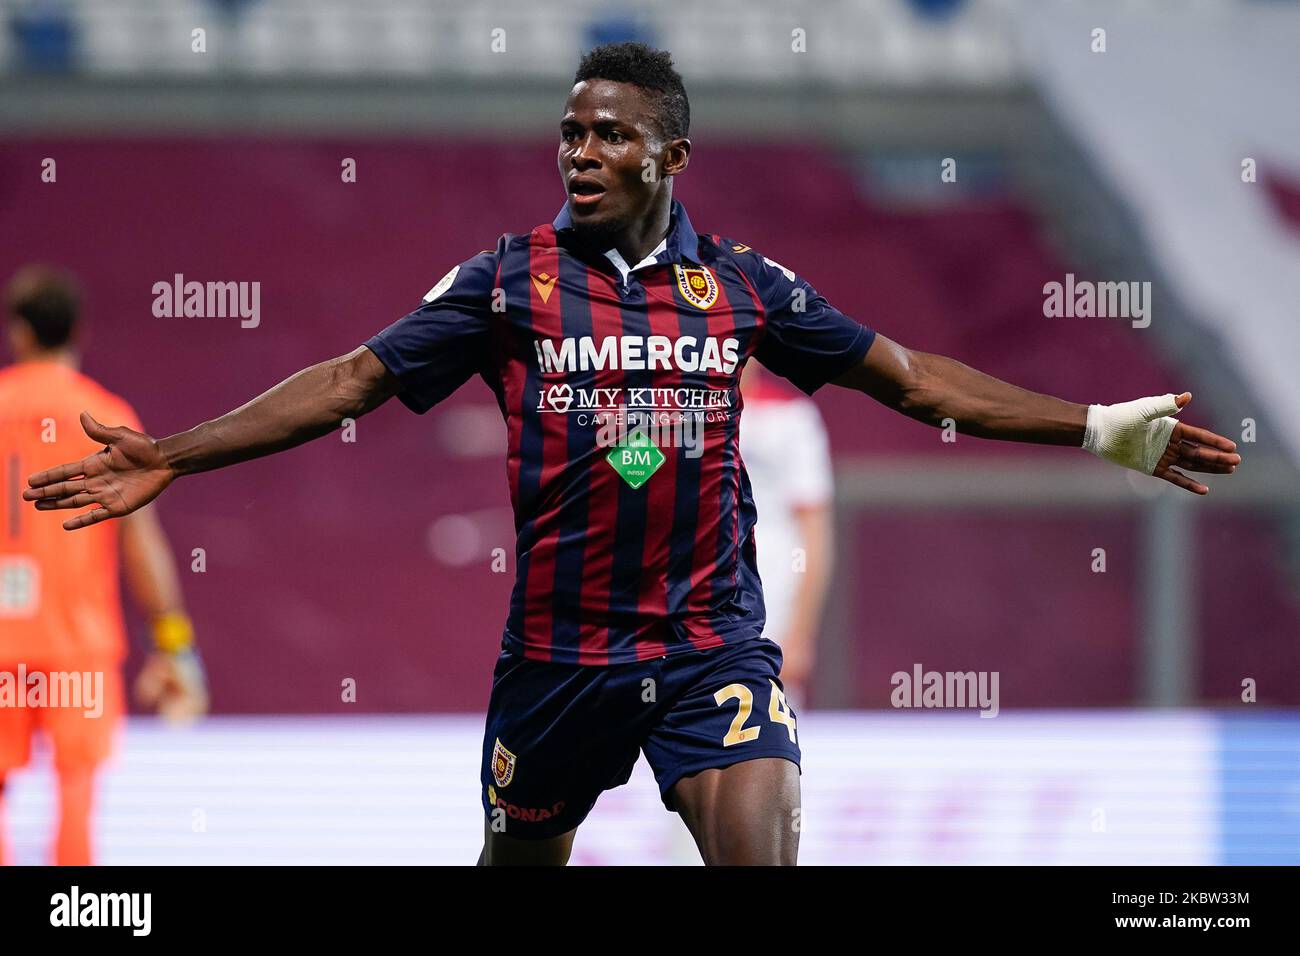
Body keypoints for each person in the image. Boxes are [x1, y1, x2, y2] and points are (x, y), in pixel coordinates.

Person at [20, 43, 1240, 866]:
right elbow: (349, 379)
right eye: (569, 133)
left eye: (609, 136)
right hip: (556, 660)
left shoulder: (745, 289)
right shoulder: (509, 282)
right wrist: (173, 453)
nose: (582, 152)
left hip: (709, 641)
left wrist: (1095, 427)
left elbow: (914, 380)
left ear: (670, 157)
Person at [0, 265, 207, 866]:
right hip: (78, 647)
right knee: (76, 802)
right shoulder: (106, 418)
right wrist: (174, 644)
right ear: (77, 332)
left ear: (19, 333)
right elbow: (141, 542)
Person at [738, 362, 834, 707]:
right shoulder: (667, 414)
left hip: (772, 603)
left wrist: (801, 632)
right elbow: (627, 483)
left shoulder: (791, 418)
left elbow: (815, 533)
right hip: (686, 606)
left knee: (772, 729)